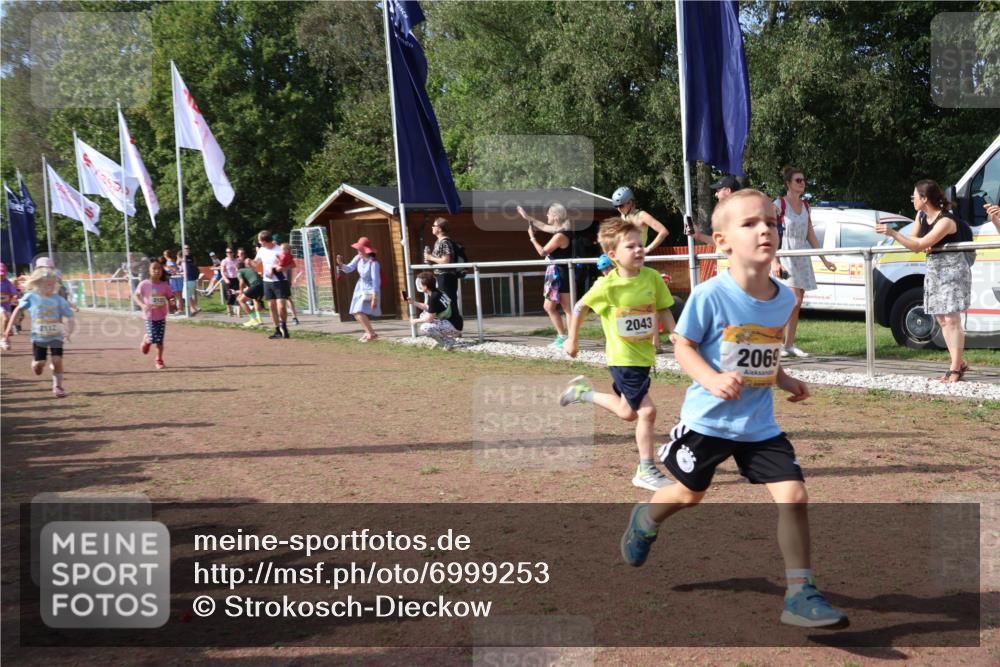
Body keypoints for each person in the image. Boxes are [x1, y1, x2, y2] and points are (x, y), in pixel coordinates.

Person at [619, 189, 849, 629]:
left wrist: (785, 380)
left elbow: (764, 353)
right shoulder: (710, 295)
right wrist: (710, 379)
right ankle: (645, 517)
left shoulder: (784, 299)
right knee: (690, 495)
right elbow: (682, 345)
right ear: (722, 241)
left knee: (794, 496)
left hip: (759, 426)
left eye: (771, 222)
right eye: (750, 224)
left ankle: (800, 592)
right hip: (708, 422)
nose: (765, 229)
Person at [561, 217, 677, 491]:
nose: (638, 250)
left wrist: (673, 332)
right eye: (630, 246)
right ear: (613, 255)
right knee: (647, 412)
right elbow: (579, 308)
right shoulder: (606, 286)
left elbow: (663, 306)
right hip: (622, 360)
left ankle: (582, 393)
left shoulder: (651, 278)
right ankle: (646, 469)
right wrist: (572, 340)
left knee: (628, 412)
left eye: (640, 245)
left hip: (643, 359)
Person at [876, 180, 972, 382]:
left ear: (924, 198)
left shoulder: (946, 220)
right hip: (935, 268)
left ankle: (955, 368)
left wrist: (893, 233)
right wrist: (915, 241)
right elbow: (913, 241)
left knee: (952, 319)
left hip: (953, 269)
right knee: (941, 319)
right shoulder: (921, 215)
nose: (912, 200)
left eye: (914, 196)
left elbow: (919, 245)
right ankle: (958, 362)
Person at [773, 167, 836, 357]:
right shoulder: (778, 204)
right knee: (793, 300)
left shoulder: (806, 206)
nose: (802, 183)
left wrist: (824, 259)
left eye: (803, 180)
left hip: (802, 254)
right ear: (788, 184)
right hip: (785, 253)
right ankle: (772, 340)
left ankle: (789, 344)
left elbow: (810, 233)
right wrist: (774, 261)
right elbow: (770, 230)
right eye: (798, 180)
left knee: (798, 301)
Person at [3, 266, 76, 398]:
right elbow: (18, 309)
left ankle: (58, 386)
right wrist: (8, 330)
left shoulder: (58, 300)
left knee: (57, 360)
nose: (50, 287)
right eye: (47, 284)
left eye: (52, 284)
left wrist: (69, 332)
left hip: (56, 336)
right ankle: (37, 364)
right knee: (39, 364)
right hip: (39, 338)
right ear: (37, 284)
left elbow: (70, 317)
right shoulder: (31, 296)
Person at [518, 203, 574, 348]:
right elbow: (542, 225)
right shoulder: (561, 229)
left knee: (562, 307)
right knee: (556, 307)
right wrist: (527, 217)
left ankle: (566, 338)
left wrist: (532, 238)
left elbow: (543, 252)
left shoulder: (560, 235)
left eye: (549, 214)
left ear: (555, 216)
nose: (547, 216)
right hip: (559, 273)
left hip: (560, 274)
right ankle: (565, 337)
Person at [336, 236, 381, 342]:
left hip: (370, 290)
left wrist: (375, 297)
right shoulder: (358, 258)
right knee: (355, 312)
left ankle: (371, 333)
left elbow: (376, 281)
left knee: (358, 311)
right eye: (358, 249)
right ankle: (369, 332)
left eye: (360, 249)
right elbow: (349, 269)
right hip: (360, 288)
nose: (358, 251)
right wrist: (341, 264)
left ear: (366, 250)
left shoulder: (374, 264)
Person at [422, 218, 463, 331]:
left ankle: (455, 327)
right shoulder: (438, 242)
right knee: (445, 301)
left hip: (447, 277)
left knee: (449, 301)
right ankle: (450, 327)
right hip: (441, 276)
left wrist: (430, 257)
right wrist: (431, 259)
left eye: (434, 225)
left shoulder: (445, 242)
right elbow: (439, 259)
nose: (432, 227)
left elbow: (446, 260)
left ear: (439, 229)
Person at [133, 259, 175, 370]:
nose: (157, 271)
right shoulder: (144, 284)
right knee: (153, 338)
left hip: (161, 315)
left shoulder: (165, 285)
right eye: (154, 268)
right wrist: (142, 305)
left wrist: (172, 303)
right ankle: (146, 340)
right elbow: (136, 295)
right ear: (149, 270)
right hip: (149, 316)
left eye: (159, 268)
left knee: (159, 341)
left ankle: (159, 360)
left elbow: (170, 296)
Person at [407, 271, 462, 350]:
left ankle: (447, 341)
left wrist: (415, 321)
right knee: (424, 317)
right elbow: (429, 307)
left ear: (425, 286)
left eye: (421, 284)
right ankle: (443, 341)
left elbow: (429, 318)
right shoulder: (437, 292)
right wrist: (413, 302)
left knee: (425, 327)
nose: (419, 286)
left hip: (454, 326)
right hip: (455, 323)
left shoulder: (433, 297)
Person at [610, 186, 670, 254]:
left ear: (630, 202)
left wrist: (648, 249)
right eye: (616, 206)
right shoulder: (623, 216)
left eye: (621, 206)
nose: (618, 209)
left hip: (637, 258)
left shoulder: (642, 215)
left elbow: (663, 231)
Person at [254, 230, 290, 339]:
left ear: (265, 241)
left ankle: (284, 326)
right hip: (267, 281)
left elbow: (292, 264)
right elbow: (256, 262)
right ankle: (277, 330)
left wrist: (283, 268)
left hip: (280, 281)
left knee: (281, 306)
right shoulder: (261, 250)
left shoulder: (280, 250)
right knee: (271, 305)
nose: (259, 243)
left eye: (260, 241)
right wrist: (249, 262)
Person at [236, 258, 264, 327]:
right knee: (256, 300)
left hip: (255, 285)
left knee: (241, 300)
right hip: (262, 285)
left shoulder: (239, 271)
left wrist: (241, 293)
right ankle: (258, 319)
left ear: (237, 268)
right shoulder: (249, 270)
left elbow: (241, 282)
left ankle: (253, 319)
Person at [278, 242, 300, 325]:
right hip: (277, 281)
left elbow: (291, 267)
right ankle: (283, 318)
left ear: (288, 250)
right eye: (281, 249)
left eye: (283, 249)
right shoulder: (281, 256)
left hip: (284, 282)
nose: (281, 250)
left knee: (288, 299)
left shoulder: (288, 258)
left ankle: (294, 317)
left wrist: (289, 281)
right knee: (281, 300)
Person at [219, 247, 241, 317]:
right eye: (227, 252)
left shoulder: (237, 260)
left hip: (236, 279)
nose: (229, 253)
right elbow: (222, 271)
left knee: (238, 295)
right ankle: (229, 311)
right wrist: (225, 279)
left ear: (233, 253)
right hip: (228, 279)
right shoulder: (224, 261)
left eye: (230, 252)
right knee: (230, 295)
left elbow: (240, 269)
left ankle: (238, 313)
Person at [0, 263, 17, 350]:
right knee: (5, 318)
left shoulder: (8, 284)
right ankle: (4, 339)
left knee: (6, 322)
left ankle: (5, 338)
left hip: (7, 306)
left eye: (2, 274)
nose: (1, 276)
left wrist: (15, 297)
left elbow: (14, 294)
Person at [181, 244, 201, 314]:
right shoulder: (184, 258)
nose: (187, 249)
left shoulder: (190, 258)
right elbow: (182, 269)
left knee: (186, 295)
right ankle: (193, 309)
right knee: (188, 295)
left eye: (188, 248)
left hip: (190, 279)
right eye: (185, 248)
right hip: (188, 279)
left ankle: (193, 309)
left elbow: (190, 269)